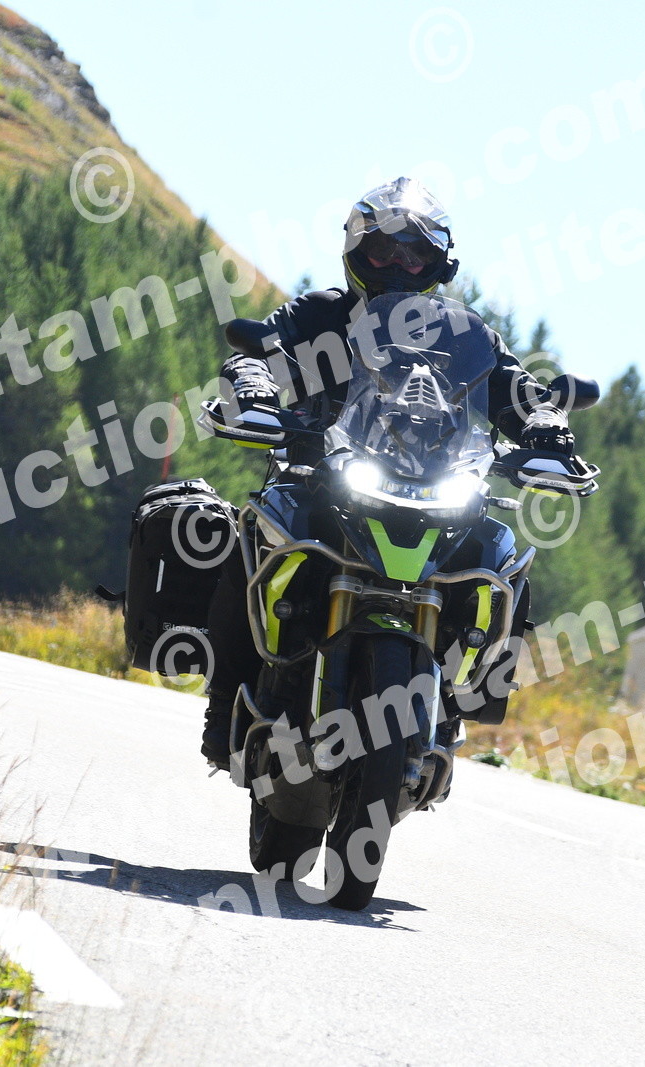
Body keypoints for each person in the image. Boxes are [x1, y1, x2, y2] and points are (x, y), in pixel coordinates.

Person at [200, 176, 575, 763]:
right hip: (323, 478)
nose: (399, 266)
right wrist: (253, 385)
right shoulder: (322, 313)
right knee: (255, 531)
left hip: (438, 485)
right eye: (383, 252)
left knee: (498, 553)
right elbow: (262, 348)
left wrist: (546, 422)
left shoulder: (464, 333)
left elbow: (513, 387)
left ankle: (457, 700)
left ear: (439, 263)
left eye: (415, 254)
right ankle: (224, 702)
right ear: (357, 253)